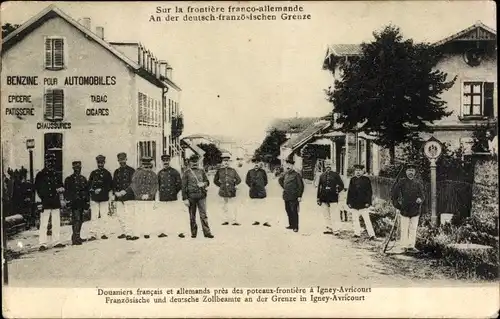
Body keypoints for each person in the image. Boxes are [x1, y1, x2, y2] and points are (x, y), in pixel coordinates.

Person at [391, 163, 425, 253]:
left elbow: (422, 196)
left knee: (413, 228)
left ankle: (411, 246)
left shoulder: (418, 183)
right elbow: (394, 196)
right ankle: (403, 246)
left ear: (415, 172)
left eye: (412, 171)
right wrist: (398, 206)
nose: (411, 172)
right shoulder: (401, 182)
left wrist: (420, 199)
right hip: (404, 209)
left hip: (415, 209)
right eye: (409, 170)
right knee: (404, 228)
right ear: (406, 172)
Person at [34, 153, 66, 251]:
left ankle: (56, 241)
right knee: (44, 223)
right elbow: (36, 189)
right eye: (49, 161)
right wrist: (39, 202)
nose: (50, 164)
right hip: (45, 201)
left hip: (55, 201)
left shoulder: (56, 174)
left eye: (52, 162)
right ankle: (42, 243)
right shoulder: (40, 175)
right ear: (45, 162)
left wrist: (61, 194)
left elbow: (61, 187)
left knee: (56, 222)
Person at [181, 155, 214, 239]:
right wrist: (185, 198)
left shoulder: (202, 171)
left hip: (201, 196)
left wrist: (203, 184)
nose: (194, 164)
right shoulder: (186, 173)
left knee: (203, 215)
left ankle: (207, 232)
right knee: (192, 216)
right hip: (191, 197)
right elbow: (183, 186)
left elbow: (207, 181)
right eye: (192, 162)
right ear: (189, 163)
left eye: (196, 162)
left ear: (198, 162)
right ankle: (193, 233)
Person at [128, 156, 158, 239]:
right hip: (139, 198)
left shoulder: (153, 174)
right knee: (138, 216)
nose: (147, 167)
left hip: (149, 198)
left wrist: (149, 195)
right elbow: (133, 185)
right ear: (142, 164)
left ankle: (147, 232)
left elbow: (155, 186)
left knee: (148, 215)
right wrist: (139, 195)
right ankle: (136, 233)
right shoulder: (137, 173)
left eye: (148, 165)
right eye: (145, 165)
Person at [87, 155, 113, 240]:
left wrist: (101, 190)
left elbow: (110, 186)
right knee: (94, 216)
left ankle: (103, 233)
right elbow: (89, 185)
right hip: (94, 198)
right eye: (99, 163)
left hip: (104, 198)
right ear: (97, 163)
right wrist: (93, 190)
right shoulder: (93, 173)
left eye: (102, 163)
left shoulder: (107, 173)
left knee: (104, 216)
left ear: (104, 163)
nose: (100, 164)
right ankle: (93, 234)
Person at [64, 161, 90, 245]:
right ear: (73, 168)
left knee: (80, 220)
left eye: (79, 167)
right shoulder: (69, 179)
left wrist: (87, 202)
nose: (77, 169)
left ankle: (75, 236)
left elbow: (86, 191)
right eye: (75, 168)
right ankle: (76, 238)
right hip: (74, 203)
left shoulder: (83, 179)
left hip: (82, 202)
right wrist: (68, 201)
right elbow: (67, 191)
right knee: (77, 219)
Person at [347, 164, 376, 240]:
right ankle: (357, 233)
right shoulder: (352, 180)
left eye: (359, 170)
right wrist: (348, 202)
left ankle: (372, 235)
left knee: (367, 219)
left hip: (363, 204)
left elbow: (369, 192)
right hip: (354, 203)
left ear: (363, 171)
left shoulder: (366, 180)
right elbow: (349, 192)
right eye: (356, 170)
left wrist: (368, 202)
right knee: (355, 219)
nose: (358, 172)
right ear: (354, 172)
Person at [157, 154, 182, 238]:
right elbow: (158, 185)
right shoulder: (160, 173)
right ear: (162, 162)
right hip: (163, 197)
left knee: (174, 214)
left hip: (172, 196)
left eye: (167, 160)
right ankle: (163, 231)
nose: (165, 162)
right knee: (163, 214)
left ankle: (177, 231)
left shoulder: (175, 172)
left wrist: (174, 192)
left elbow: (179, 184)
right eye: (164, 161)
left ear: (169, 161)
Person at [316, 161, 344, 235]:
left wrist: (337, 190)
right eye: (326, 165)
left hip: (333, 197)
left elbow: (341, 185)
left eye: (329, 164)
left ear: (332, 165)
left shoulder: (336, 175)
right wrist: (318, 198)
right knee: (326, 213)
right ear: (324, 166)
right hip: (324, 197)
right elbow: (319, 187)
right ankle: (329, 228)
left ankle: (336, 229)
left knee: (334, 213)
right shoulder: (322, 175)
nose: (328, 166)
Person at [112, 152, 136, 240]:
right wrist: (115, 192)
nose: (121, 161)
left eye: (123, 159)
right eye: (120, 160)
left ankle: (130, 233)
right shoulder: (116, 171)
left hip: (129, 196)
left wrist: (125, 191)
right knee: (120, 215)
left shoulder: (131, 170)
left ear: (126, 159)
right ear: (118, 160)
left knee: (129, 215)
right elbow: (113, 184)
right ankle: (124, 232)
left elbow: (133, 183)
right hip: (118, 197)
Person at [214, 153, 242, 226]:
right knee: (224, 206)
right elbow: (215, 180)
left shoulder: (233, 170)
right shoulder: (219, 171)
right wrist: (221, 185)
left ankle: (234, 220)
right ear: (222, 162)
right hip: (223, 191)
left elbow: (239, 180)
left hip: (231, 190)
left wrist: (234, 185)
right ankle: (225, 220)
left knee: (232, 205)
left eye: (227, 161)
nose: (226, 162)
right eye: (224, 161)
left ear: (229, 162)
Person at [278, 158, 304, 233]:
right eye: (287, 165)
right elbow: (280, 180)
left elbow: (300, 186)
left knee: (294, 211)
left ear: (293, 166)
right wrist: (285, 187)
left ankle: (295, 227)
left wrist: (299, 196)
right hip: (286, 196)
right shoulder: (285, 174)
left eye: (290, 165)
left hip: (294, 196)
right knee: (288, 210)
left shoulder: (296, 175)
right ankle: (291, 225)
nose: (288, 166)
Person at [245, 159, 270, 227]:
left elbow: (266, 181)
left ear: (259, 164)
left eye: (257, 163)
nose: (256, 164)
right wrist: (252, 186)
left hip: (261, 192)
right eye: (254, 163)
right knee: (254, 207)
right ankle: (256, 220)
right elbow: (247, 181)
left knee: (263, 207)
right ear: (252, 164)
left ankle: (265, 221)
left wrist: (260, 185)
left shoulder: (263, 172)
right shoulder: (250, 172)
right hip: (253, 192)